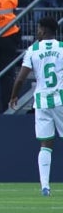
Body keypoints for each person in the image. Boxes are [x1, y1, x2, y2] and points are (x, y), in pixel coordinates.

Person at [9, 17, 63, 195]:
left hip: (41, 101)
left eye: (39, 29)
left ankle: (45, 186)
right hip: (60, 99)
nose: (37, 32)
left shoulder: (33, 50)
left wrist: (14, 95)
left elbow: (21, 78)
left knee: (46, 144)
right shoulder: (62, 48)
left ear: (44, 30)